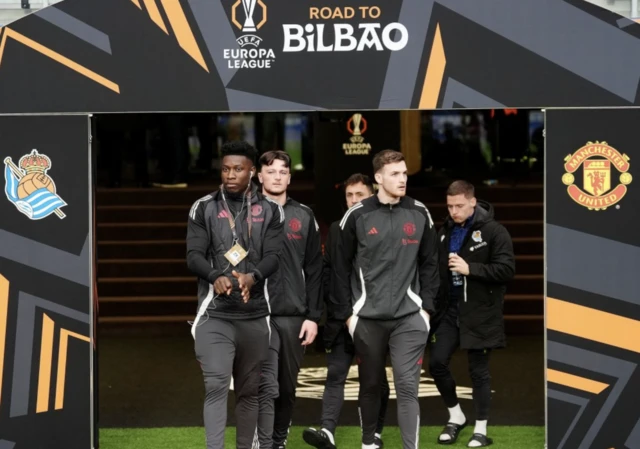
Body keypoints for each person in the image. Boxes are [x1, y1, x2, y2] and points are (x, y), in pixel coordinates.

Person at [333, 150, 440, 449]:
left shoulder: (420, 212)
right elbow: (339, 268)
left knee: (407, 388)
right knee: (369, 386)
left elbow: (431, 263)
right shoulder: (356, 215)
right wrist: (349, 316)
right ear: (378, 178)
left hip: (409, 317)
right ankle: (369, 444)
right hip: (366, 319)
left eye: (404, 173)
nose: (402, 179)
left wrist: (426, 310)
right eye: (395, 174)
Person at [186, 141, 285, 449]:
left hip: (255, 317)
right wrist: (215, 275)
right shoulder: (204, 206)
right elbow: (193, 256)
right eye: (226, 168)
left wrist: (252, 277)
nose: (231, 174)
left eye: (238, 169)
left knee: (249, 391)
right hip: (215, 316)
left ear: (252, 172)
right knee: (216, 385)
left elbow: (273, 257)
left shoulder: (271, 211)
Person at [302, 173, 390, 449]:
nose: (353, 200)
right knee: (336, 374)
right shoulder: (338, 228)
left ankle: (373, 434)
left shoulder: (386, 224)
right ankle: (327, 431)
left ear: (371, 194)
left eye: (359, 195)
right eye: (350, 196)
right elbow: (328, 275)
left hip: (374, 319)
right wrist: (340, 314)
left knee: (374, 378)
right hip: (342, 318)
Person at [428, 180, 515, 448]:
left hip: (480, 311)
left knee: (479, 372)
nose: (454, 211)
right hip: (450, 310)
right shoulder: (445, 230)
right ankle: (456, 416)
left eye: (459, 206)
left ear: (473, 202)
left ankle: (481, 429)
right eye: (450, 206)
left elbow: (506, 270)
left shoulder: (494, 231)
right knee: (436, 363)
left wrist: (471, 269)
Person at [255, 150, 323, 449]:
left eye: (283, 171)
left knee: (286, 386)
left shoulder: (304, 215)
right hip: (256, 314)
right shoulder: (245, 213)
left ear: (290, 177)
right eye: (271, 171)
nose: (278, 176)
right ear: (259, 176)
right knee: (261, 386)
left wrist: (313, 316)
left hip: (294, 315)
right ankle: (262, 441)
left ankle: (278, 441)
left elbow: (315, 269)